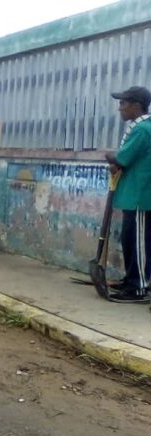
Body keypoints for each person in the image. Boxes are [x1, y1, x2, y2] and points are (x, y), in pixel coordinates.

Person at [104, 86, 151, 303]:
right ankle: (132, 279)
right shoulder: (139, 127)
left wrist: (111, 156)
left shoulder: (143, 129)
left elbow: (122, 158)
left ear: (136, 106)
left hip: (140, 196)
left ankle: (139, 287)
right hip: (133, 194)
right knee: (130, 239)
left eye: (123, 103)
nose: (119, 108)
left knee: (138, 243)